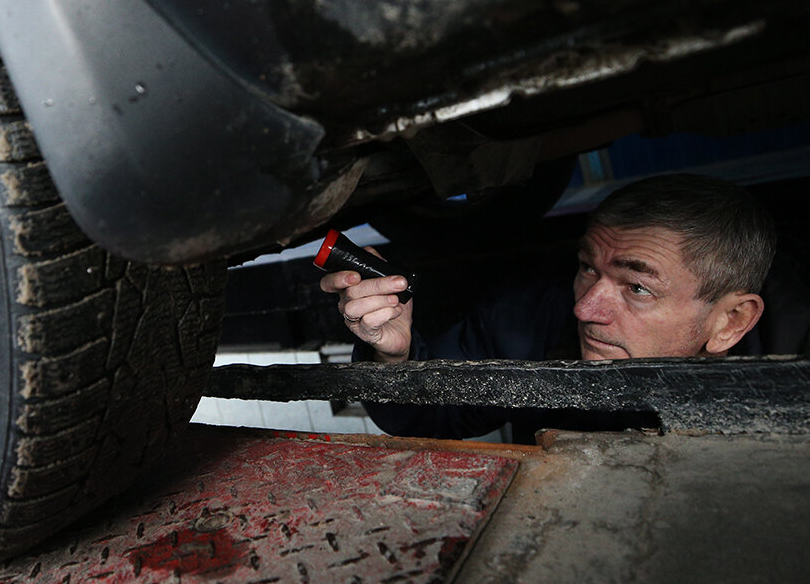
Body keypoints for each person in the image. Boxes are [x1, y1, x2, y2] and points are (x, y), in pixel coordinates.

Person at [320, 173, 779, 440]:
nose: (586, 309)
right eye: (588, 268)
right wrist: (393, 359)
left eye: (637, 288)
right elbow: (427, 417)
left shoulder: (789, 373)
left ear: (730, 322)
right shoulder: (526, 322)